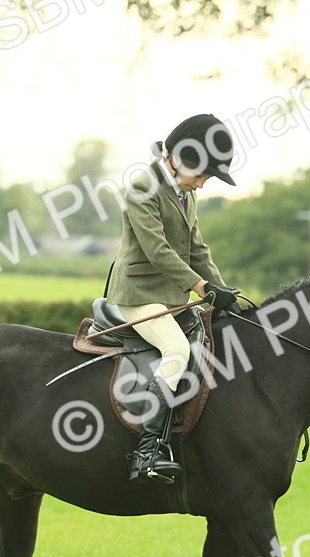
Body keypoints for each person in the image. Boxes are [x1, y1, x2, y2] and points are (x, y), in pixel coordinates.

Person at [104, 113, 241, 483]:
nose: (202, 184)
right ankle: (147, 451)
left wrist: (223, 292)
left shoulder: (184, 194)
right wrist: (201, 288)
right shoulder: (142, 186)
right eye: (203, 175)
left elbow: (197, 249)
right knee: (177, 352)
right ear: (181, 160)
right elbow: (158, 250)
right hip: (138, 293)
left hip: (170, 296)